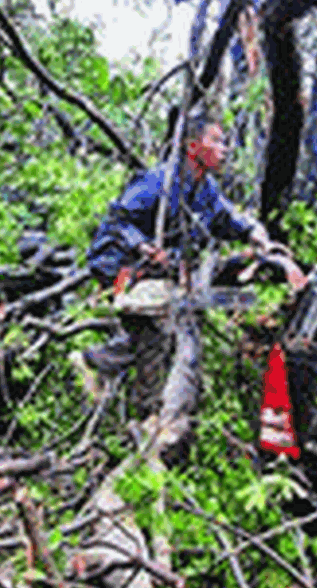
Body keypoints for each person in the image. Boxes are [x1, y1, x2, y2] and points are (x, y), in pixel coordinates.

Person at [79, 116, 294, 411]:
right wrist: (143, 245)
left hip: (154, 270)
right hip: (118, 262)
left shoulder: (207, 189)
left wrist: (258, 236)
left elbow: (231, 220)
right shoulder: (158, 181)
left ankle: (143, 409)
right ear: (192, 146)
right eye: (216, 141)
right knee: (160, 324)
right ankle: (98, 366)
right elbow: (118, 219)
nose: (225, 148)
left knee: (156, 336)